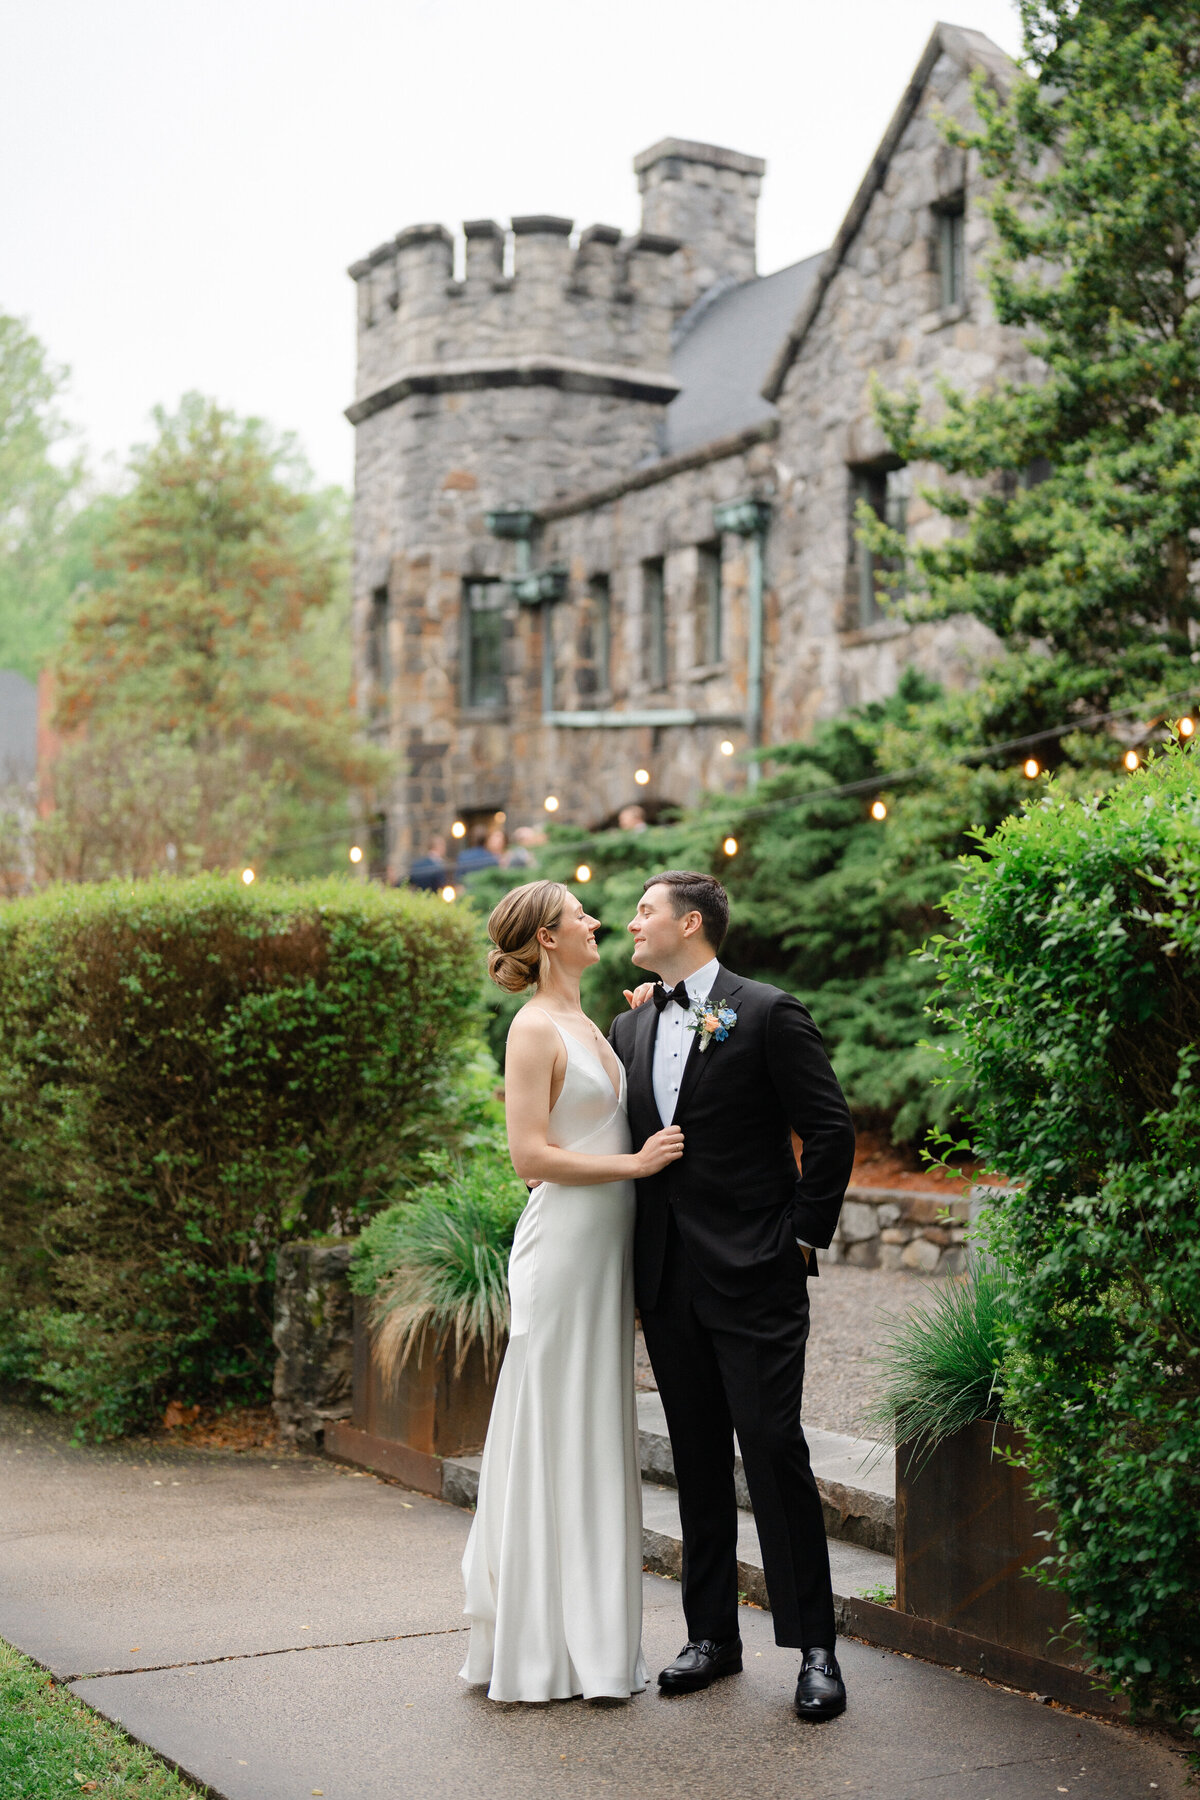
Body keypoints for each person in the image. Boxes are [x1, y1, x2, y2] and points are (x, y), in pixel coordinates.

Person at [609, 870, 855, 1722]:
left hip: (757, 1274)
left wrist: (800, 1235)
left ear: (690, 922)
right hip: (669, 1279)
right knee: (698, 1458)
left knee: (775, 1450)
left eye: (644, 911)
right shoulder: (632, 1020)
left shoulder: (768, 1011)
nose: (630, 923)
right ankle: (711, 1637)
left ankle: (815, 1648)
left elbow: (829, 1129)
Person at [460, 881, 685, 1703]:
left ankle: (592, 1643)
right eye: (581, 916)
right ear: (548, 940)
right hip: (562, 1253)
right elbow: (530, 1157)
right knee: (556, 1430)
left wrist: (650, 1013)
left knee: (596, 1429)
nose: (597, 922)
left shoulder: (595, 1023)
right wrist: (633, 1165)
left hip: (607, 1256)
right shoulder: (530, 1030)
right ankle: (540, 1647)